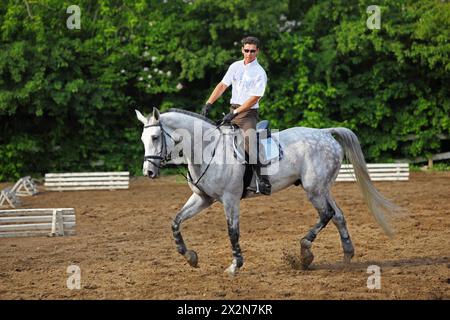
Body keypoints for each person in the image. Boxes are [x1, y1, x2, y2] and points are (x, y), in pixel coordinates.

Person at [201, 36, 271, 195]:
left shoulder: (260, 72)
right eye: (246, 50)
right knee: (213, 137)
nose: (249, 54)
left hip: (247, 113)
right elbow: (222, 85)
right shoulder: (235, 66)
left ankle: (262, 179)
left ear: (257, 51)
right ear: (242, 50)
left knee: (248, 140)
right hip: (232, 110)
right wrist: (209, 103)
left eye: (252, 51)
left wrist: (235, 113)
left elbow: (254, 98)